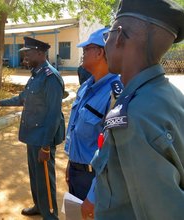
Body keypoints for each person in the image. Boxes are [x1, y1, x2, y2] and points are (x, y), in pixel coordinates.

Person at [92, 0, 184, 219]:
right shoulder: (171, 95)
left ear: (120, 36)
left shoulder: (132, 116)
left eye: (108, 34)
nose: (106, 44)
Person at [0, 37, 65, 219]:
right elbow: (21, 99)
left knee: (46, 180)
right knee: (36, 176)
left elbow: (53, 114)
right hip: (32, 136)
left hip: (43, 138)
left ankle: (50, 214)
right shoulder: (36, 74)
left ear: (40, 54)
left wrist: (46, 146)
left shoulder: (51, 77)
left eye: (28, 53)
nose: (25, 57)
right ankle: (39, 206)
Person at [63, 27, 122, 219]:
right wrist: (71, 164)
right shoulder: (86, 87)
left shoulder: (115, 93)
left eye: (86, 49)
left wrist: (93, 195)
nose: (83, 53)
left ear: (100, 52)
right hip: (77, 171)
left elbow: (114, 152)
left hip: (95, 180)